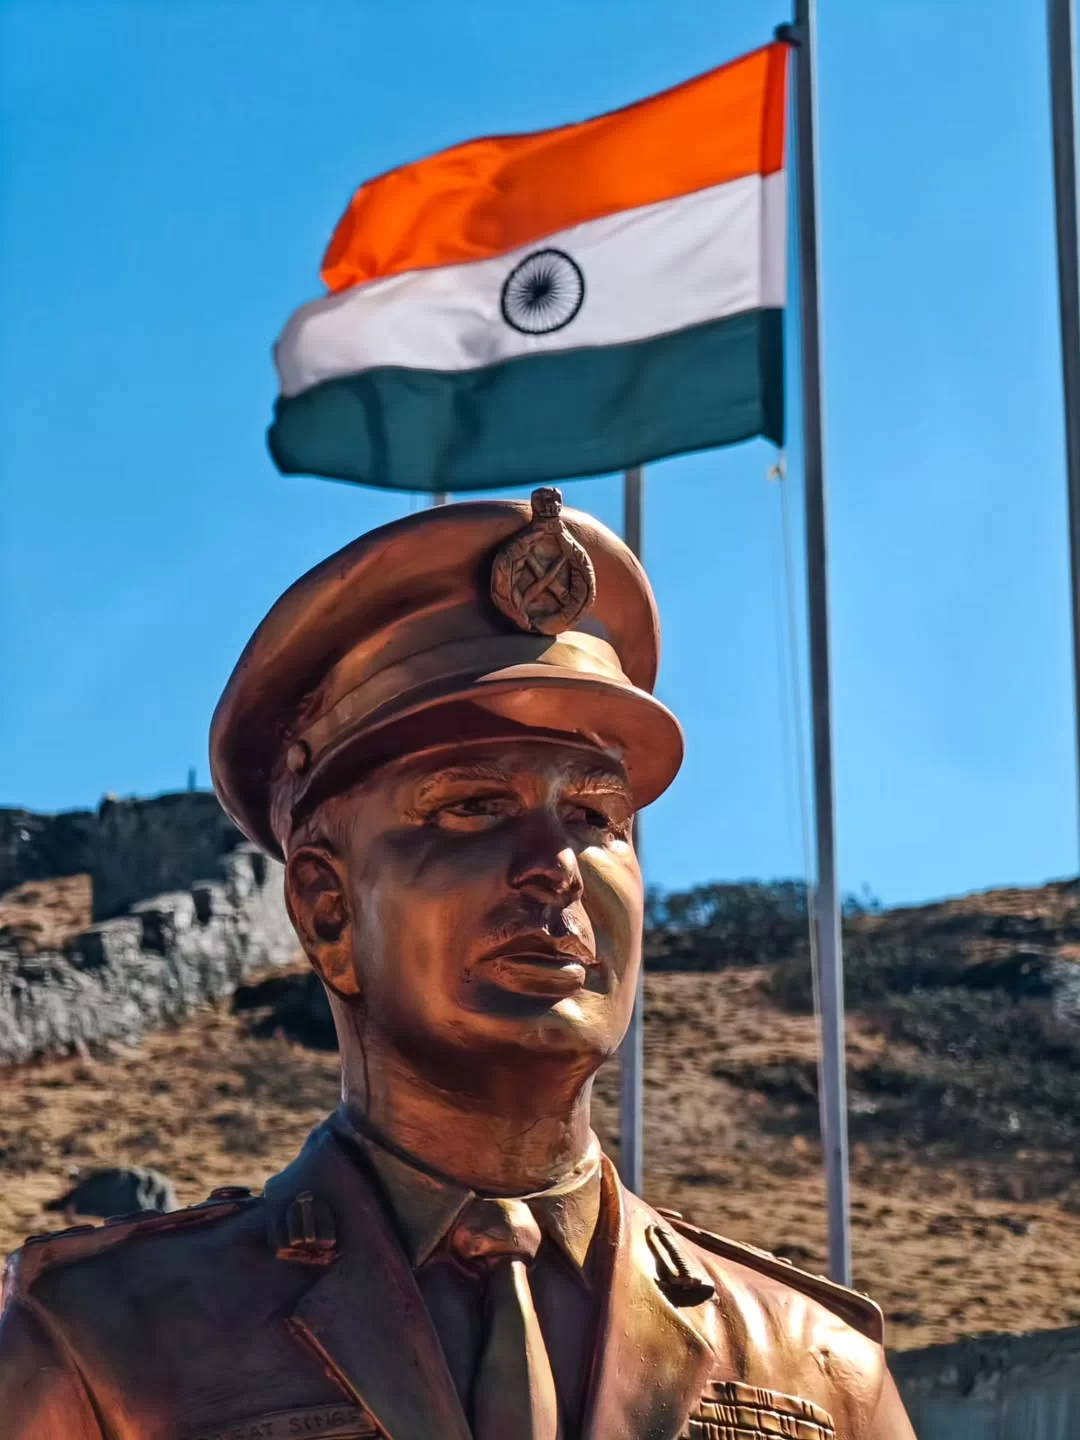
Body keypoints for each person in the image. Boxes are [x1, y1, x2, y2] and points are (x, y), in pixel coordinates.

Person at [0, 489, 916, 1439]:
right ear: (326, 909)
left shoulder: (821, 1373)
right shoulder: (104, 1345)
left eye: (597, 817)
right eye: (473, 808)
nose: (556, 867)